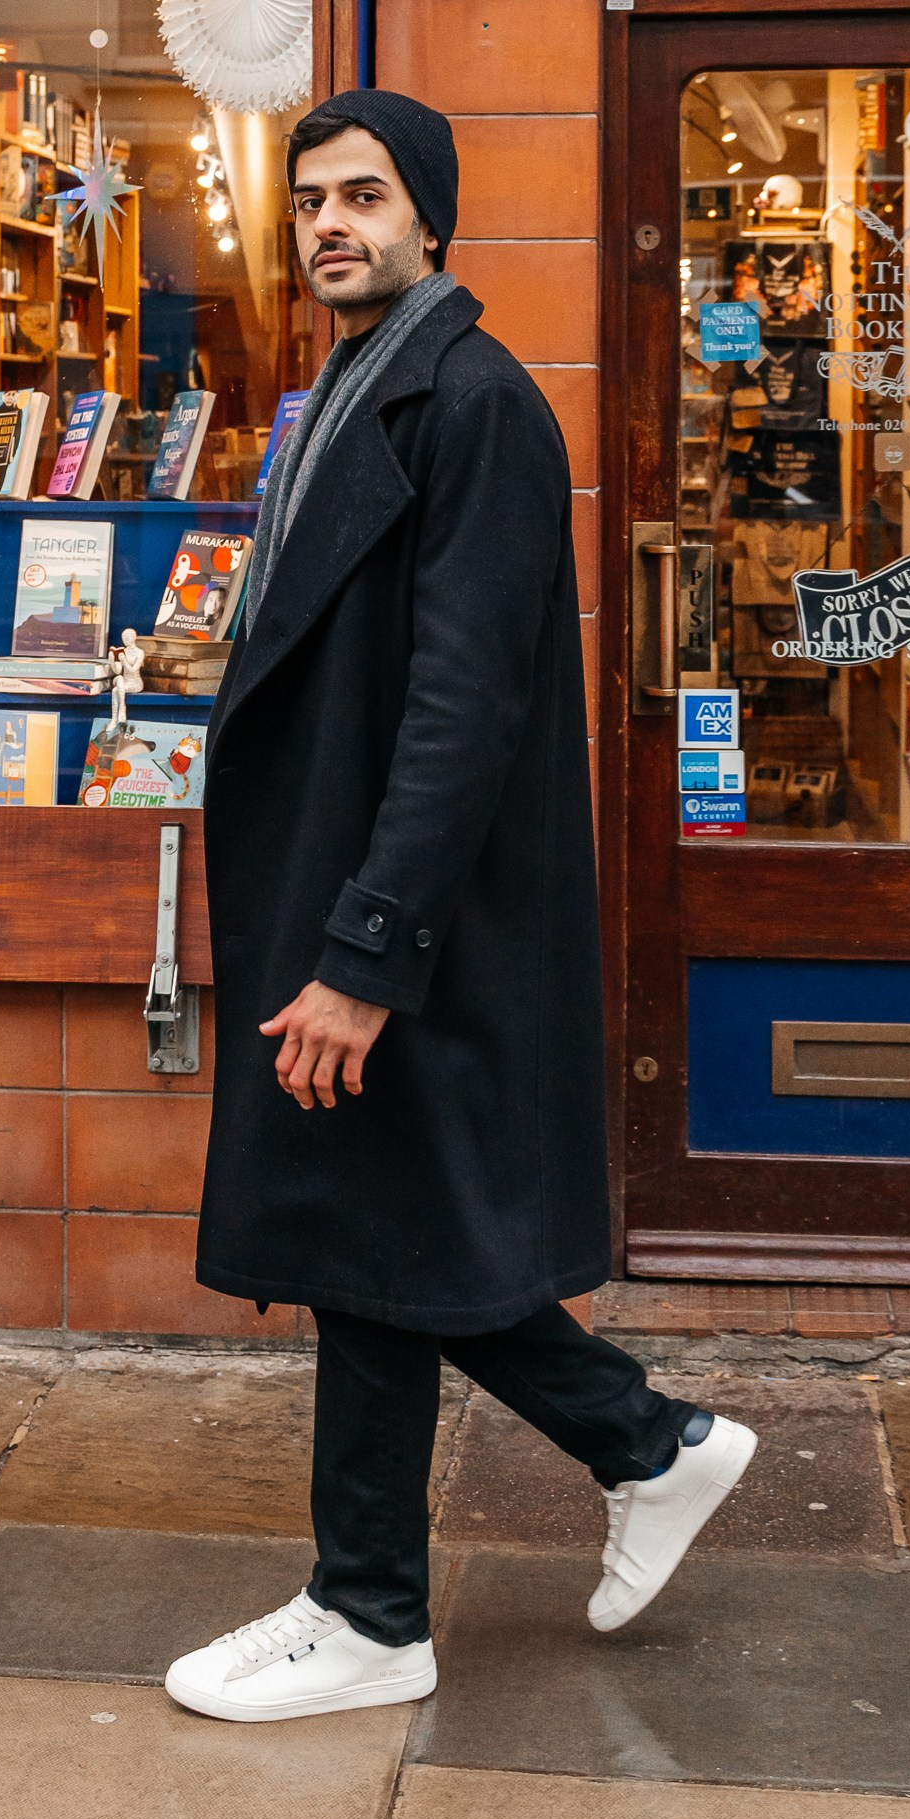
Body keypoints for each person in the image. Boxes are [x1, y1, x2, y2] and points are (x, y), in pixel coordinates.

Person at [166, 87, 754, 1724]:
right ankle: (634, 1454)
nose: (331, 224)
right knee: (374, 1234)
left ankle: (386, 1604)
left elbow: (466, 704)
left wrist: (365, 955)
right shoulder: (353, 389)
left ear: (430, 218)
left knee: (371, 1232)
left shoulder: (472, 404)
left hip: (403, 912)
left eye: (365, 196)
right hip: (351, 892)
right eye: (310, 203)